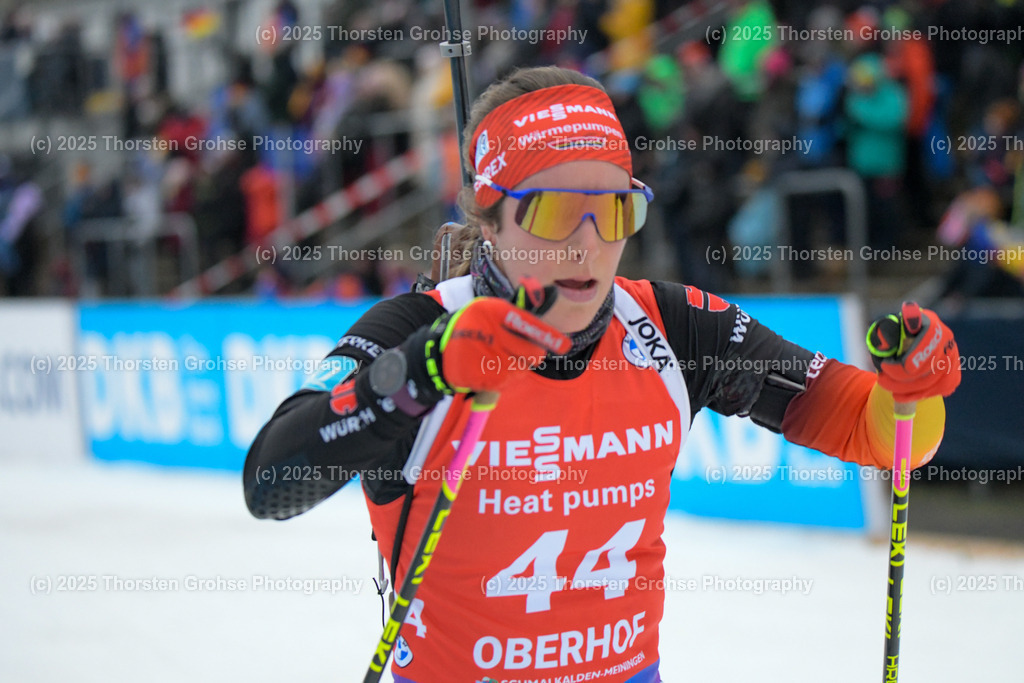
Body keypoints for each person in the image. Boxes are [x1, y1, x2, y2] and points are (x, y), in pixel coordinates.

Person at [243, 66, 961, 682]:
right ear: (490, 218)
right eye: (557, 212)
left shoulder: (673, 327)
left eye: (615, 210)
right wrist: (421, 373)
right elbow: (271, 483)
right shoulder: (413, 330)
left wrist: (913, 390)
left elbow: (882, 436)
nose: (589, 244)